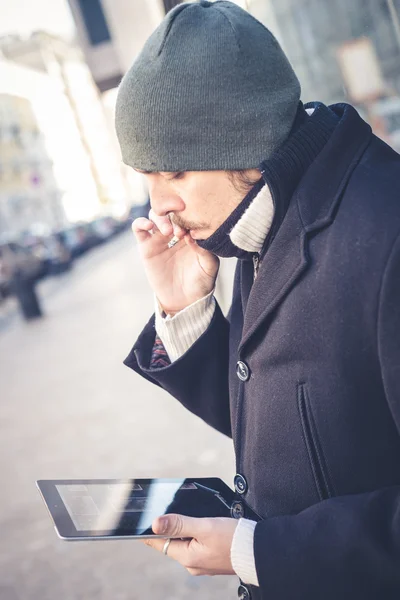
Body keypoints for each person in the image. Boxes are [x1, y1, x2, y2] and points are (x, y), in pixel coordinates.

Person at [115, 2, 400, 598]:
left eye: (173, 173)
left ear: (244, 139)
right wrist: (186, 307)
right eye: (146, 177)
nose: (157, 205)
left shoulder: (386, 233)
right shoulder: (264, 209)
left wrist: (256, 550)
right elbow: (300, 417)